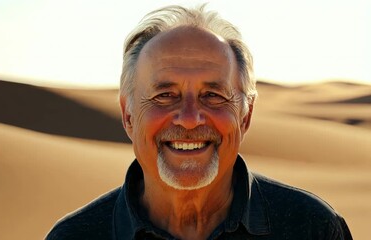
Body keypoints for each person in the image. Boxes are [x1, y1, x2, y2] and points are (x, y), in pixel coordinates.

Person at [46, 4, 352, 240]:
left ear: (245, 116)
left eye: (213, 95)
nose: (190, 119)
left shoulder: (313, 228)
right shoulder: (75, 235)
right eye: (165, 95)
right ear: (128, 115)